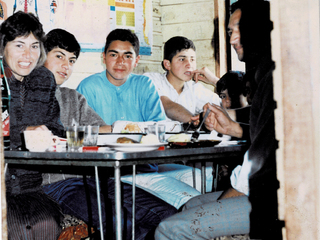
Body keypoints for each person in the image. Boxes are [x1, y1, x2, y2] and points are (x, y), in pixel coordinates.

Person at [155, 0, 280, 239]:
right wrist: (233, 127)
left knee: (167, 229)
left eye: (238, 31)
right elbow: (269, 130)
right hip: (263, 187)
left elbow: (261, 157)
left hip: (273, 198)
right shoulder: (264, 70)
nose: (232, 39)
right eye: (231, 32)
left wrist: (226, 199)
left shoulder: (275, 75)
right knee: (190, 205)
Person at [40, 28, 178, 240]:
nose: (66, 66)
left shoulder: (72, 97)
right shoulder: (27, 96)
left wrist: (117, 128)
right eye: (59, 56)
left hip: (97, 177)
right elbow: (51, 139)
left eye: (72, 60)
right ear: (41, 56)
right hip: (60, 183)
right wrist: (91, 133)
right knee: (123, 224)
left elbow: (103, 133)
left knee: (168, 217)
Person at [77, 28, 202, 211]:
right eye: (114, 54)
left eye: (127, 56)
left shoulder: (144, 85)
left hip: (144, 165)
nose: (120, 62)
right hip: (108, 170)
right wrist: (114, 130)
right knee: (191, 201)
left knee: (199, 176)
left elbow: (159, 129)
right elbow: (79, 136)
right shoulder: (88, 87)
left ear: (136, 60)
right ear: (103, 57)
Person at [2, 12, 65, 239]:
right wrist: (25, 134)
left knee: (47, 224)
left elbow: (56, 129)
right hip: (0, 186)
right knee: (18, 229)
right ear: (3, 47)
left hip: (30, 187)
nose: (28, 55)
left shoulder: (44, 78)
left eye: (35, 46)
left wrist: (49, 135)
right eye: (19, 45)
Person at [143, 36, 222, 193]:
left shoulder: (194, 88)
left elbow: (224, 108)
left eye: (193, 59)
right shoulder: (152, 80)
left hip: (185, 157)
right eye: (182, 59)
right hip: (154, 159)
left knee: (209, 175)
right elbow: (168, 106)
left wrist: (215, 82)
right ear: (167, 64)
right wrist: (196, 121)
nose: (189, 65)